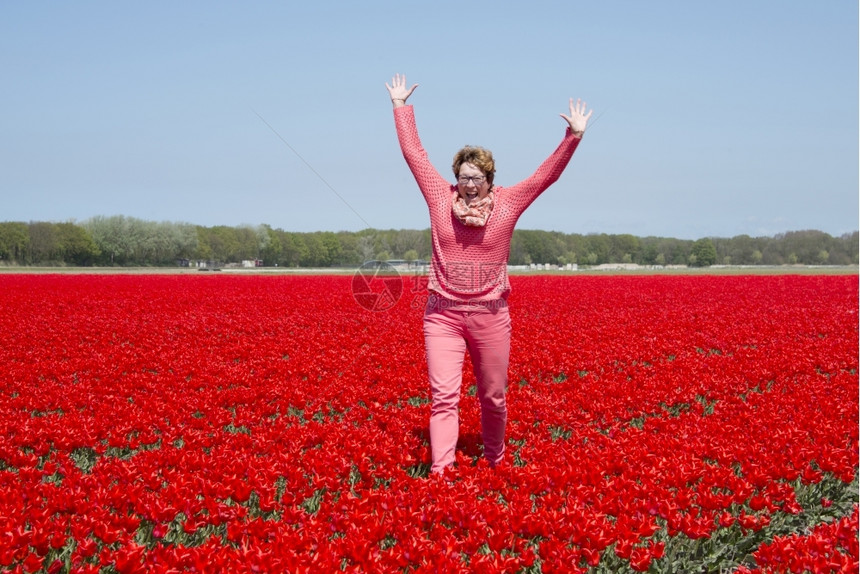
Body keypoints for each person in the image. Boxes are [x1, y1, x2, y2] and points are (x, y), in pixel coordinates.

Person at [386, 73, 592, 474]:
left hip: (490, 315)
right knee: (443, 396)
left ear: (490, 179)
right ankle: (441, 472)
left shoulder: (509, 203)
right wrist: (400, 107)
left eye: (477, 178)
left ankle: (496, 462)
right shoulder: (438, 196)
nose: (469, 184)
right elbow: (415, 155)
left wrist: (573, 137)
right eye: (463, 177)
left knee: (493, 397)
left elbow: (544, 176)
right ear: (456, 178)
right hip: (442, 314)